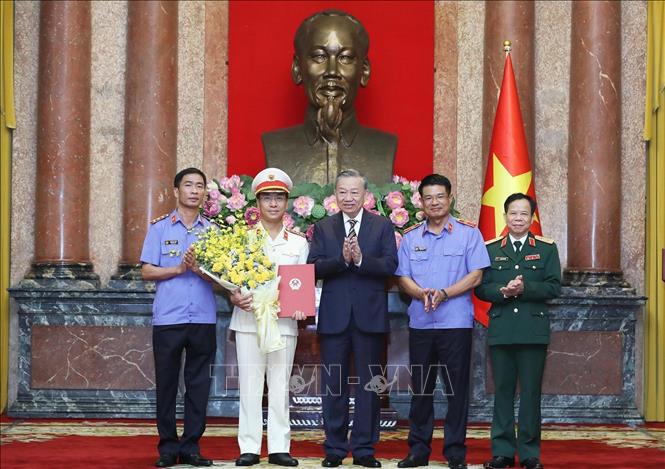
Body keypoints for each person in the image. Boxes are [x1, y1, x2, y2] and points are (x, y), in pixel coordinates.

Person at [395, 174, 490, 469]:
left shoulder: (468, 234)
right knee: (421, 390)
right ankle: (418, 451)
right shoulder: (411, 237)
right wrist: (420, 292)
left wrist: (446, 293)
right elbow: (402, 278)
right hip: (421, 323)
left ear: (450, 199)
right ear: (421, 202)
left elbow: (476, 275)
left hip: (455, 323)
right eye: (428, 198)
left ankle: (455, 453)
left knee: (456, 391)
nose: (434, 202)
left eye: (440, 196)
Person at [307, 169, 398, 468]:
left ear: (365, 195)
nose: (348, 197)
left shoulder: (382, 226)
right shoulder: (323, 228)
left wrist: (360, 260)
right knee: (333, 386)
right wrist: (341, 261)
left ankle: (363, 450)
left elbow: (389, 266)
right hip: (334, 319)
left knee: (370, 388)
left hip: (369, 318)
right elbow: (313, 268)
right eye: (343, 192)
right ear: (335, 194)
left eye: (354, 192)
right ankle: (334, 448)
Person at [229, 168, 309, 467]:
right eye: (267, 198)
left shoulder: (299, 243)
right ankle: (248, 446)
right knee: (250, 386)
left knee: (279, 386)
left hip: (284, 324)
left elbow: (303, 285)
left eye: (279, 198)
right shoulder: (241, 239)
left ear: (286, 202)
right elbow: (231, 280)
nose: (273, 204)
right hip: (248, 322)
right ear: (257, 203)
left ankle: (279, 447)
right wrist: (233, 295)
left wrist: (302, 307)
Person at [475, 193, 561, 469]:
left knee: (531, 394)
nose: (518, 218)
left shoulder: (547, 249)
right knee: (502, 391)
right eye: (513, 213)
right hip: (502, 329)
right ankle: (501, 452)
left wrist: (526, 289)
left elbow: (553, 287)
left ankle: (529, 454)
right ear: (505, 216)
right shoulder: (491, 248)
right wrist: (502, 291)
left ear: (532, 217)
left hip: (532, 330)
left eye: (524, 214)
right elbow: (480, 287)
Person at [262, 9, 397, 185]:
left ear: (364, 71)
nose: (332, 71)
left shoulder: (384, 146)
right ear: (297, 69)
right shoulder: (275, 145)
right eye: (319, 56)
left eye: (345, 58)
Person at [140, 167, 216, 468]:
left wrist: (202, 271)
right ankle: (168, 448)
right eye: (188, 185)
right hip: (168, 319)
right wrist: (178, 270)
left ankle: (192, 446)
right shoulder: (159, 229)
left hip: (202, 318)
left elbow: (222, 277)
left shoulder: (212, 231)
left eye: (200, 186)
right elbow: (146, 270)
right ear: (176, 191)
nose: (194, 191)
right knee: (168, 383)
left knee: (198, 385)